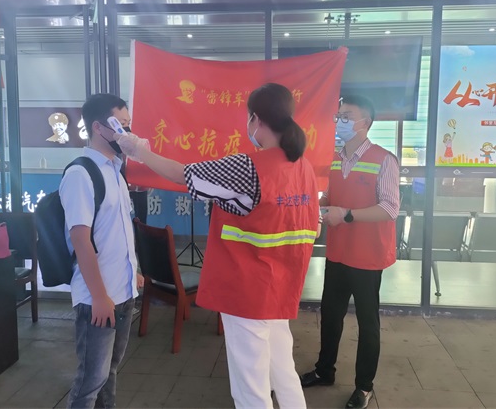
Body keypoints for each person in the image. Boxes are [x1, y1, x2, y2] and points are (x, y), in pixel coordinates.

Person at [115, 83, 320, 409]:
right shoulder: (302, 166)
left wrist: (139, 151)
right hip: (281, 288)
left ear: (256, 119)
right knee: (283, 371)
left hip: (247, 291)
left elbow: (182, 175)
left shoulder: (248, 167)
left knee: (251, 389)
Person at [299, 94, 400, 409]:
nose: (339, 121)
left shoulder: (384, 159)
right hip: (338, 252)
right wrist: (313, 203)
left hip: (368, 256)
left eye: (346, 116)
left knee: (368, 324)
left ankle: (364, 387)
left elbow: (390, 208)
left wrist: (347, 215)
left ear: (364, 123)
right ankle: (324, 370)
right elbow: (330, 195)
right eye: (338, 116)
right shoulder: (334, 158)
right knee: (330, 315)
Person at [61, 94, 143, 409]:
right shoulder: (81, 174)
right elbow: (80, 240)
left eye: (128, 125)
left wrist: (134, 271)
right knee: (89, 382)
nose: (127, 133)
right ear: (98, 127)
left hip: (122, 292)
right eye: (120, 125)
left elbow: (119, 230)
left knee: (109, 372)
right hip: (98, 298)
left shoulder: (115, 170)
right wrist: (98, 296)